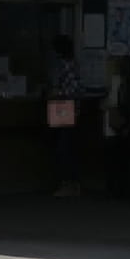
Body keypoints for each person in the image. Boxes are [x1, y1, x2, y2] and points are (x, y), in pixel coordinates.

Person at [46, 34, 83, 197]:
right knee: (68, 147)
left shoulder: (63, 66)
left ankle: (67, 184)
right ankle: (72, 184)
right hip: (71, 109)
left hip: (64, 109)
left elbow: (69, 89)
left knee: (63, 148)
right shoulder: (73, 64)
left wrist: (56, 93)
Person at [101, 51, 130, 203]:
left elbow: (111, 103)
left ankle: (113, 189)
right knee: (123, 160)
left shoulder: (116, 81)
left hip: (114, 125)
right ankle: (121, 190)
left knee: (113, 160)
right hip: (124, 125)